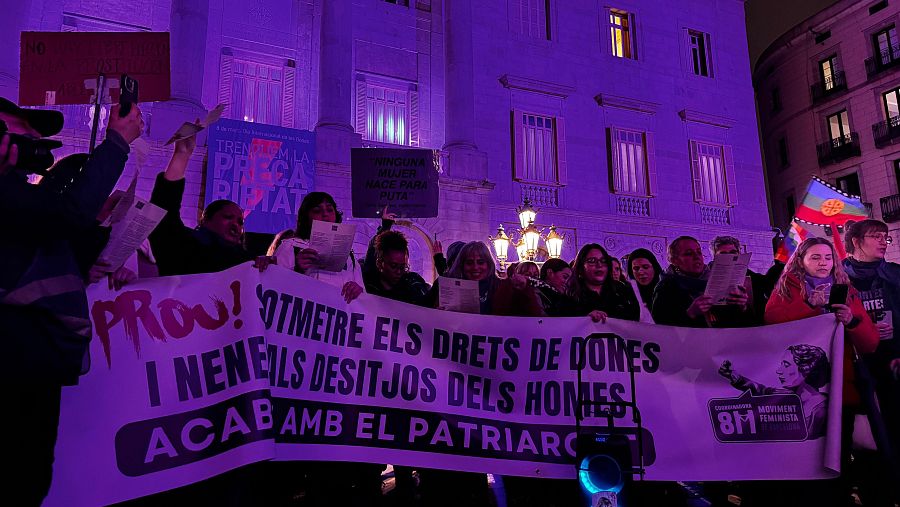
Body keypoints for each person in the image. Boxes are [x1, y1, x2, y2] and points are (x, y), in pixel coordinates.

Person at [0, 97, 142, 505]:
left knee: (29, 477)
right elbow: (65, 213)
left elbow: (47, 248)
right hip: (12, 368)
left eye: (34, 138)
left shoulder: (19, 199)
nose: (33, 146)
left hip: (37, 371)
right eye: (19, 136)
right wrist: (116, 141)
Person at [763, 237, 879, 507]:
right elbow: (773, 322)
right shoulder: (786, 289)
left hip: (842, 391)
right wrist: (814, 310)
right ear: (801, 261)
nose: (823, 263)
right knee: (806, 459)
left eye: (827, 257)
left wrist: (852, 321)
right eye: (815, 257)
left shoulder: (847, 290)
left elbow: (870, 342)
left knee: (839, 457)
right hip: (800, 397)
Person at [843, 219, 900, 500]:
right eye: (876, 236)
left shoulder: (895, 274)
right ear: (856, 241)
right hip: (856, 369)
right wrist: (864, 329)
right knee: (865, 438)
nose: (883, 241)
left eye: (885, 237)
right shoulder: (839, 276)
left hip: (893, 365)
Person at [149, 131, 252, 276]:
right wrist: (181, 155)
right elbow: (163, 213)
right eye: (228, 217)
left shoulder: (247, 263)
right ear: (206, 219)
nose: (236, 225)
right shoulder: (185, 244)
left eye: (240, 222)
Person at [719, 345, 830, 439]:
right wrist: (735, 377)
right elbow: (760, 390)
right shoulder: (786, 396)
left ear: (805, 368)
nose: (779, 371)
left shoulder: (822, 409)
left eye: (786, 365)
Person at [270, 192, 363, 303]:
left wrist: (357, 290)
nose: (325, 214)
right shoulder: (290, 246)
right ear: (306, 217)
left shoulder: (349, 256)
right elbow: (272, 287)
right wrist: (297, 269)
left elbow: (362, 298)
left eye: (330, 210)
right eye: (317, 211)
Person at [652, 236, 752, 327]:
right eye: (689, 253)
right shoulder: (666, 287)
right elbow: (659, 327)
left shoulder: (717, 280)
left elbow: (739, 323)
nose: (697, 257)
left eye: (699, 252)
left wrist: (742, 306)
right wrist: (691, 313)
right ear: (674, 260)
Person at [568, 243, 640, 322]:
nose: (599, 265)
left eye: (603, 261)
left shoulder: (622, 290)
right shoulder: (570, 296)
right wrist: (586, 319)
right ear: (581, 266)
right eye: (592, 261)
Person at [710, 235, 772, 325]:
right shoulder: (707, 279)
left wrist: (745, 307)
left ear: (739, 254)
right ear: (715, 258)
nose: (730, 257)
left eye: (733, 253)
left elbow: (762, 313)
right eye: (723, 254)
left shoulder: (756, 280)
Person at [363, 229, 430, 305]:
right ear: (380, 263)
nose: (398, 272)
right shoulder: (366, 284)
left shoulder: (413, 283)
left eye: (402, 267)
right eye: (393, 266)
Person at [626, 248, 662, 323]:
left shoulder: (667, 290)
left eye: (645, 267)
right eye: (636, 268)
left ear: (654, 267)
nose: (641, 272)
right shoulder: (627, 294)